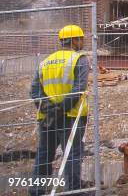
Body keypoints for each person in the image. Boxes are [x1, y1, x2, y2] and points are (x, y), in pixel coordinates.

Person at [30, 25, 89, 196]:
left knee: (44, 154)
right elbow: (79, 89)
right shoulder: (79, 59)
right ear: (75, 40)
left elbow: (34, 91)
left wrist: (49, 108)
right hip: (71, 116)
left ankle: (37, 190)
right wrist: (61, 109)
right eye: (81, 39)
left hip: (47, 117)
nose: (82, 42)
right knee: (72, 154)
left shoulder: (45, 62)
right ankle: (73, 191)